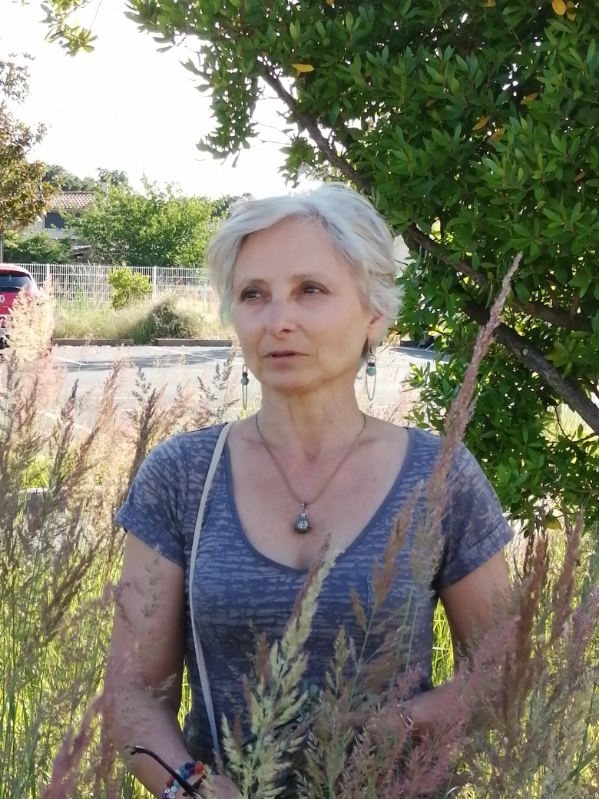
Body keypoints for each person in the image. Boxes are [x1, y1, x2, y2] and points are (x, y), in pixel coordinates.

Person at [105, 182, 512, 798]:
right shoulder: (182, 476)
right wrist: (192, 788)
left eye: (310, 290)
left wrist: (402, 725)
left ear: (374, 311)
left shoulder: (440, 476)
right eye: (253, 295)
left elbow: (500, 674)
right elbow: (133, 692)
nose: (278, 321)